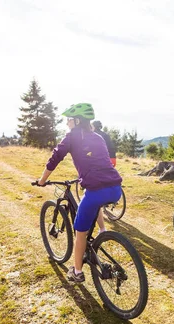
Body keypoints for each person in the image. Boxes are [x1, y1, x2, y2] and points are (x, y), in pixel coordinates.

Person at [36, 103, 122, 282]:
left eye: (69, 119)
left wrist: (42, 180)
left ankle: (76, 272)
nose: (67, 123)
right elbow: (99, 161)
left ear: (76, 120)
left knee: (80, 231)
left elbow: (55, 158)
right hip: (115, 188)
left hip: (97, 190)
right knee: (90, 200)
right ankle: (101, 231)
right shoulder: (97, 137)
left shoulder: (72, 137)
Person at [91, 120, 118, 232]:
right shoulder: (105, 134)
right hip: (113, 159)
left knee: (98, 177)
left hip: (105, 159)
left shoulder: (95, 135)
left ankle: (101, 199)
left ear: (94, 127)